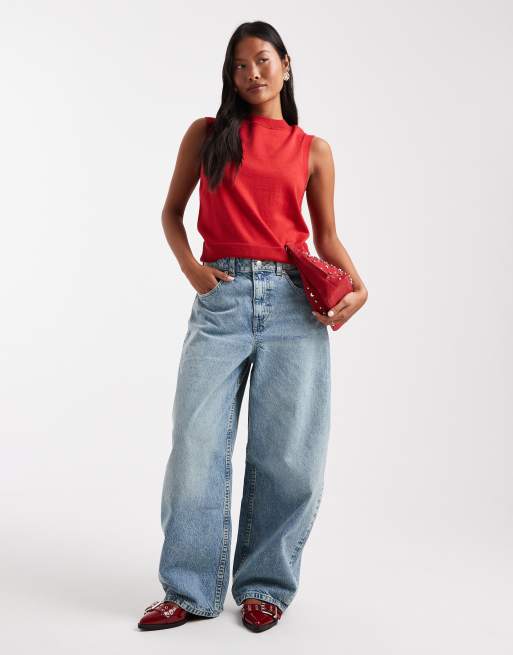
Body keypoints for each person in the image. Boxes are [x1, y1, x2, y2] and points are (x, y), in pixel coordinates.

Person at [138, 20, 368, 634]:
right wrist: (193, 270)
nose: (252, 74)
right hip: (222, 298)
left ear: (286, 66)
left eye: (263, 60)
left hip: (293, 305)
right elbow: (171, 212)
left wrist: (359, 285)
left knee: (289, 454)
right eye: (240, 66)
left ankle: (266, 585)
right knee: (196, 446)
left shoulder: (313, 149)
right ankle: (189, 589)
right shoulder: (207, 134)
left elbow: (326, 236)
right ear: (230, 76)